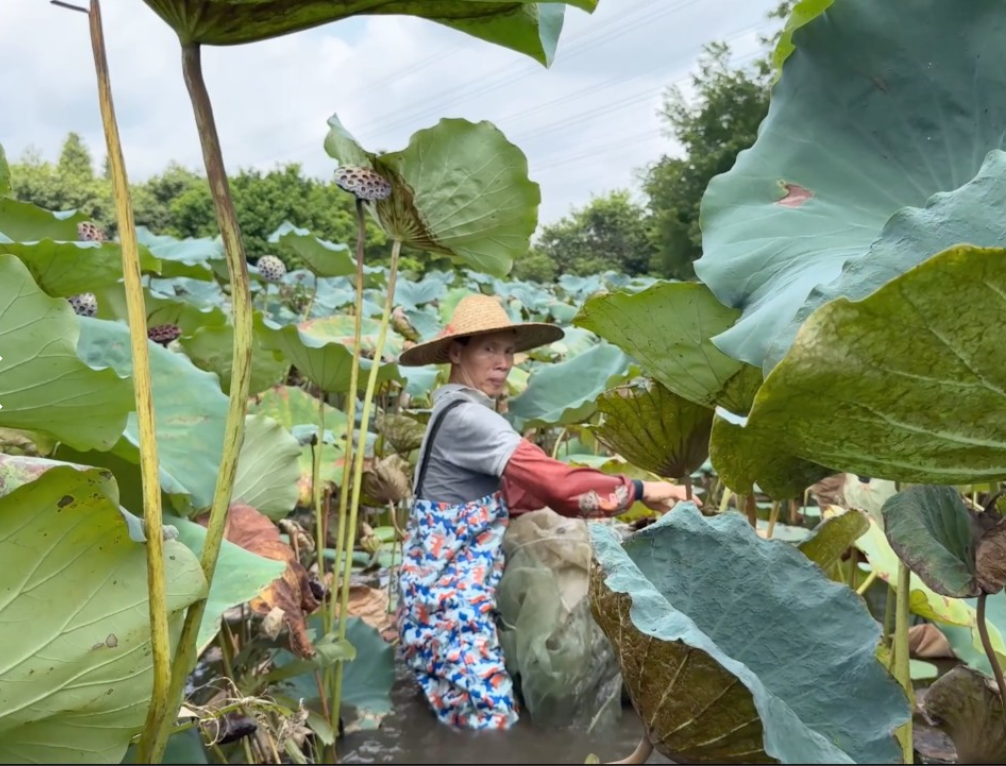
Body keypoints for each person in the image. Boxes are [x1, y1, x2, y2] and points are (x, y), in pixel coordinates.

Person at [394, 293, 696, 732]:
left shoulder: (451, 408)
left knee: (455, 730)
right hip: (451, 610)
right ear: (456, 353)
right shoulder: (470, 419)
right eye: (488, 349)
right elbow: (557, 485)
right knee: (491, 732)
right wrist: (643, 489)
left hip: (430, 599)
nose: (503, 363)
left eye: (508, 351)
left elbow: (518, 496)